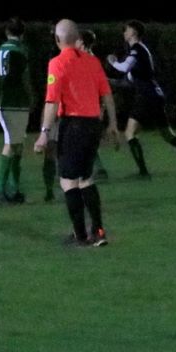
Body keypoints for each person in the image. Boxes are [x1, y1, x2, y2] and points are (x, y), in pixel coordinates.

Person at [34, 19, 118, 247]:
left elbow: (51, 102)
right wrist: (113, 124)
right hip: (93, 125)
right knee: (85, 179)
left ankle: (81, 236)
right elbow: (107, 95)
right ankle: (98, 231)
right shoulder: (93, 62)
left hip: (73, 125)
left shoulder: (57, 63)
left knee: (68, 181)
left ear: (58, 40)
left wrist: (44, 132)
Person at [106, 20, 176, 178]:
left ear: (133, 32)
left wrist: (113, 61)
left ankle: (143, 172)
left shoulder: (137, 49)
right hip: (154, 95)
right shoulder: (140, 51)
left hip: (147, 96)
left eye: (126, 30)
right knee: (168, 136)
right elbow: (130, 80)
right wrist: (109, 81)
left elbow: (124, 68)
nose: (124, 33)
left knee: (130, 133)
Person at [0, 17, 33, 203]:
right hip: (16, 101)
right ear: (22, 33)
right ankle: (2, 190)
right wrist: (31, 96)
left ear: (7, 32)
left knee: (16, 144)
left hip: (4, 99)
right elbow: (24, 77)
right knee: (11, 144)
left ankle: (13, 190)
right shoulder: (20, 50)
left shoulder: (2, 49)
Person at [76, 28, 110, 181]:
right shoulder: (92, 58)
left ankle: (94, 170)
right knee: (85, 139)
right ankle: (97, 169)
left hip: (85, 106)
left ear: (82, 42)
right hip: (91, 105)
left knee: (81, 139)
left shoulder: (84, 60)